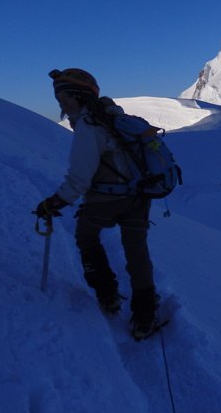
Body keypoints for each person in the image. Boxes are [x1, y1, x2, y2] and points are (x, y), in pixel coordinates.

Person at [34, 68, 160, 341]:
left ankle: (108, 295)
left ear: (79, 96)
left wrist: (56, 202)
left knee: (86, 237)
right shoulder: (116, 118)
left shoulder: (89, 126)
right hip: (139, 197)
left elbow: (80, 177)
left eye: (65, 99)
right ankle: (145, 314)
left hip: (105, 198)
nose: (62, 106)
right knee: (137, 252)